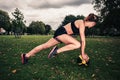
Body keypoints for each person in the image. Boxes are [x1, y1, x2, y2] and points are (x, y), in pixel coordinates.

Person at [21, 13, 98, 64]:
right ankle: (55, 51)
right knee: (77, 44)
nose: (93, 26)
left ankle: (26, 56)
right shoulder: (81, 23)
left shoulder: (81, 23)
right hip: (62, 33)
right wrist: (82, 54)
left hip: (61, 33)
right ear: (92, 22)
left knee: (45, 46)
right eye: (94, 24)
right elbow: (83, 41)